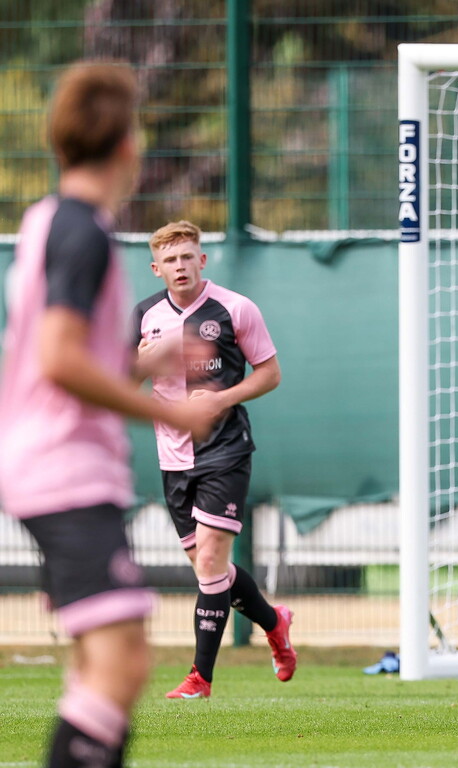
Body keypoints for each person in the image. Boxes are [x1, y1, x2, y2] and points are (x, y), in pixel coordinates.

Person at [0, 61, 217, 768]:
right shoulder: (83, 232)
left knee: (103, 666)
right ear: (129, 145)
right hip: (64, 470)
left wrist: (140, 366)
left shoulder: (46, 221)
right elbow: (59, 362)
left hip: (45, 463)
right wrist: (173, 411)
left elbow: (55, 360)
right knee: (122, 663)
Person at [133, 219, 296, 698]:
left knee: (208, 563)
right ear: (156, 268)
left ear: (202, 260)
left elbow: (270, 374)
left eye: (188, 256)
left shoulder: (235, 308)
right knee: (213, 572)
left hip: (225, 449)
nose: (180, 266)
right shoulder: (144, 317)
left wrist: (220, 400)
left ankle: (199, 678)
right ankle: (274, 622)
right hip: (173, 458)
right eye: (170, 260)